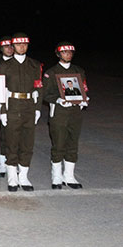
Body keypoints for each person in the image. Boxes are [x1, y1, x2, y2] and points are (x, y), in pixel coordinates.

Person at [0, 32, 43, 192]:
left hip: (29, 106)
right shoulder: (5, 66)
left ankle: (23, 176)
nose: (21, 47)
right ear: (13, 46)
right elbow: (1, 90)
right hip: (13, 106)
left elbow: (38, 87)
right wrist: (3, 111)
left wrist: (38, 109)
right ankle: (12, 177)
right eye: (18, 45)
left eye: (24, 44)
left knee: (27, 142)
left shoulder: (35, 65)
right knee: (12, 141)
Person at [42, 41, 88, 189]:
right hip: (59, 113)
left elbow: (84, 88)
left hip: (75, 113)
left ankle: (69, 176)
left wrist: (84, 99)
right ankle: (56, 176)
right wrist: (58, 100)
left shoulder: (79, 70)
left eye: (70, 52)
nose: (67, 55)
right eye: (64, 52)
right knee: (59, 143)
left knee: (72, 143)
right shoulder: (51, 72)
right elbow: (45, 94)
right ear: (58, 54)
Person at [0, 36, 14, 177]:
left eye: (11, 46)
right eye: (6, 47)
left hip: (16, 104)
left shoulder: (20, 63)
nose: (9, 49)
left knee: (15, 136)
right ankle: (2, 163)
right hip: (1, 102)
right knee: (2, 135)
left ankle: (13, 163)